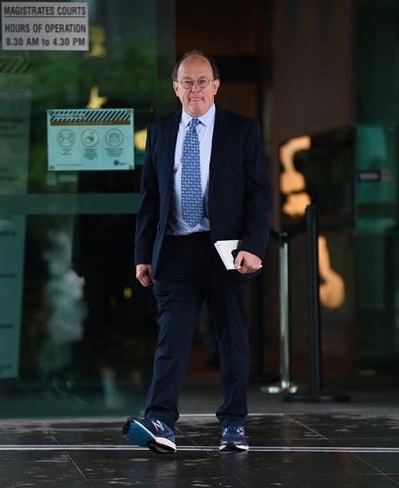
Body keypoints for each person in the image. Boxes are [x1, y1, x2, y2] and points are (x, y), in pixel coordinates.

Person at [122, 49, 271, 453]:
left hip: (226, 252)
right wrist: (142, 253)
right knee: (172, 338)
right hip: (174, 252)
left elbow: (260, 194)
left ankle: (233, 423)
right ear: (175, 88)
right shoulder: (160, 131)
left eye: (202, 81)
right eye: (187, 82)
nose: (195, 89)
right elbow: (149, 199)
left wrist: (255, 247)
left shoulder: (242, 131)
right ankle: (160, 421)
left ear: (216, 86)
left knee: (231, 339)